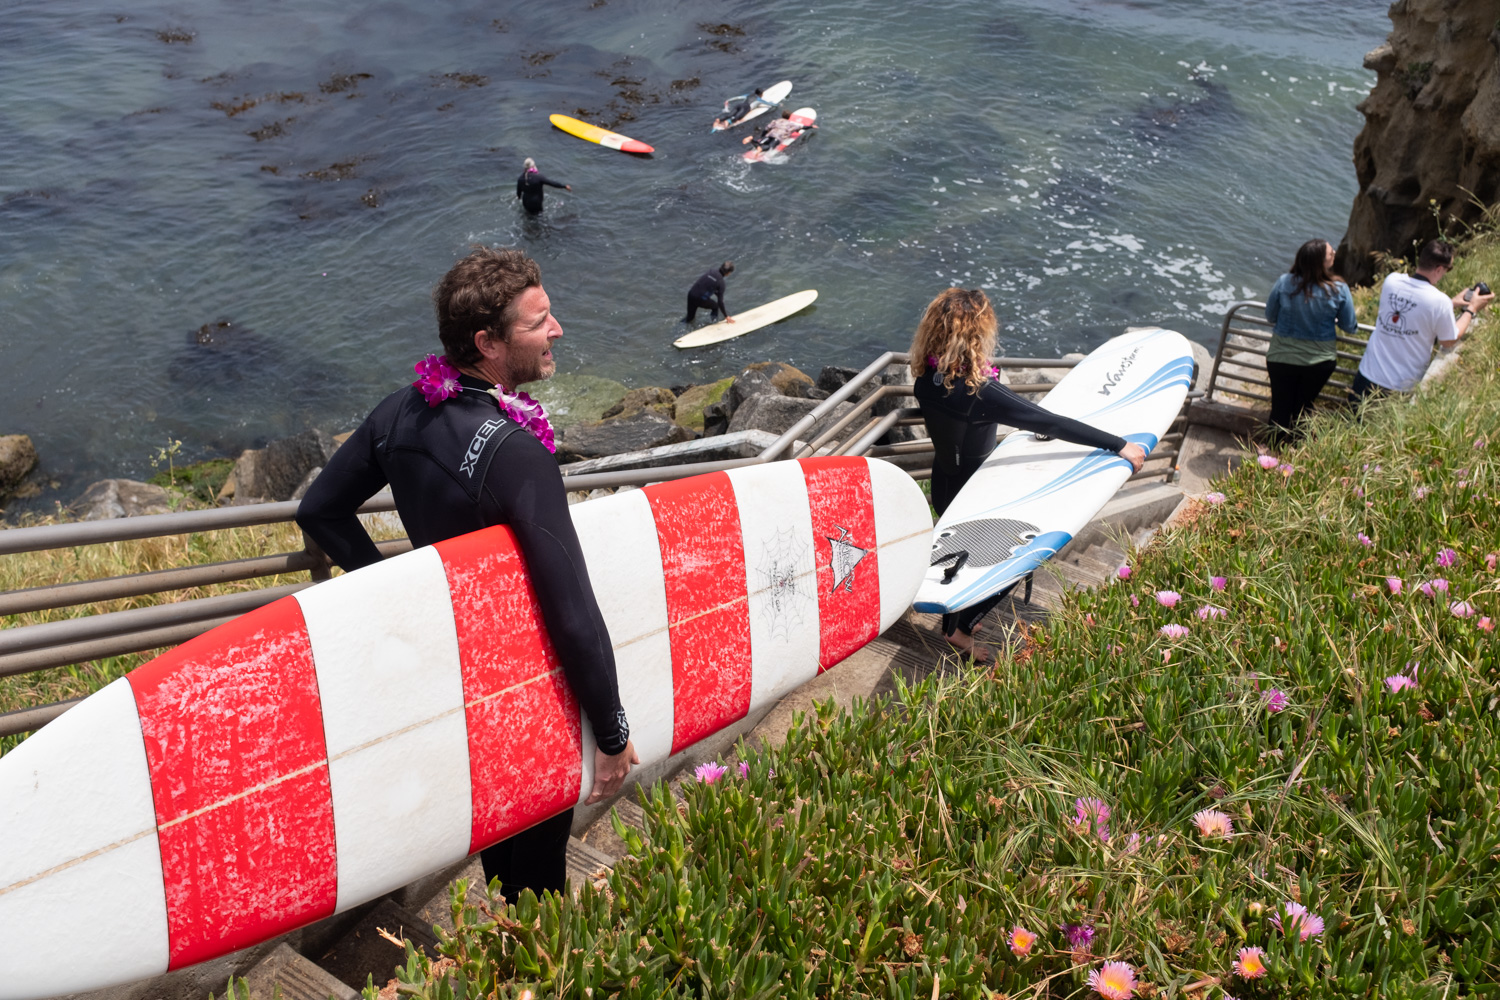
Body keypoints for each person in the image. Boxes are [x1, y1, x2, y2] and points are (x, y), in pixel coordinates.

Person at [297, 246, 637, 902]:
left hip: (450, 677)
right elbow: (571, 610)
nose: (557, 330)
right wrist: (614, 732)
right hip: (525, 691)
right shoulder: (516, 455)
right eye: (540, 322)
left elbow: (321, 509)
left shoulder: (401, 411)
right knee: (537, 878)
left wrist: (400, 589)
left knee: (504, 858)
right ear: (488, 343)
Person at [909, 288, 1147, 661]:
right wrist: (1118, 444)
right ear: (976, 335)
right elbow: (1048, 419)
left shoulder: (927, 376)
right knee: (1013, 561)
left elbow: (970, 424)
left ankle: (957, 619)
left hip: (944, 486)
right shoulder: (981, 391)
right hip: (979, 495)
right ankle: (959, 629)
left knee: (966, 559)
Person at [1351, 239, 1493, 401]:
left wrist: (1451, 304)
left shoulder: (1392, 281)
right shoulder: (1439, 301)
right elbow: (1448, 340)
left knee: (1352, 422)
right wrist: (1471, 308)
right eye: (1449, 268)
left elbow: (1416, 309)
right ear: (1440, 269)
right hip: (1399, 388)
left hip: (1366, 375)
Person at [1262, 239, 1356, 444]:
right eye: (1331, 253)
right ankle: (1296, 458)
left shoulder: (1284, 282)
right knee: (1303, 409)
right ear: (1321, 262)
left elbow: (1270, 316)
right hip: (1319, 362)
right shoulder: (1338, 289)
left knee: (1280, 409)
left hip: (1282, 358)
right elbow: (1350, 326)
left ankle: (1269, 459)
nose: (1335, 254)